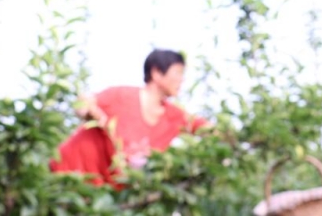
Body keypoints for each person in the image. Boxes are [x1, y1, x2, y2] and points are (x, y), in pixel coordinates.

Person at [49, 49, 209, 187]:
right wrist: (90, 112)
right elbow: (83, 103)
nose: (182, 79)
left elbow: (209, 129)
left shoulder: (174, 116)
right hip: (67, 178)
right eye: (178, 72)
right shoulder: (121, 97)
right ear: (156, 73)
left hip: (102, 197)